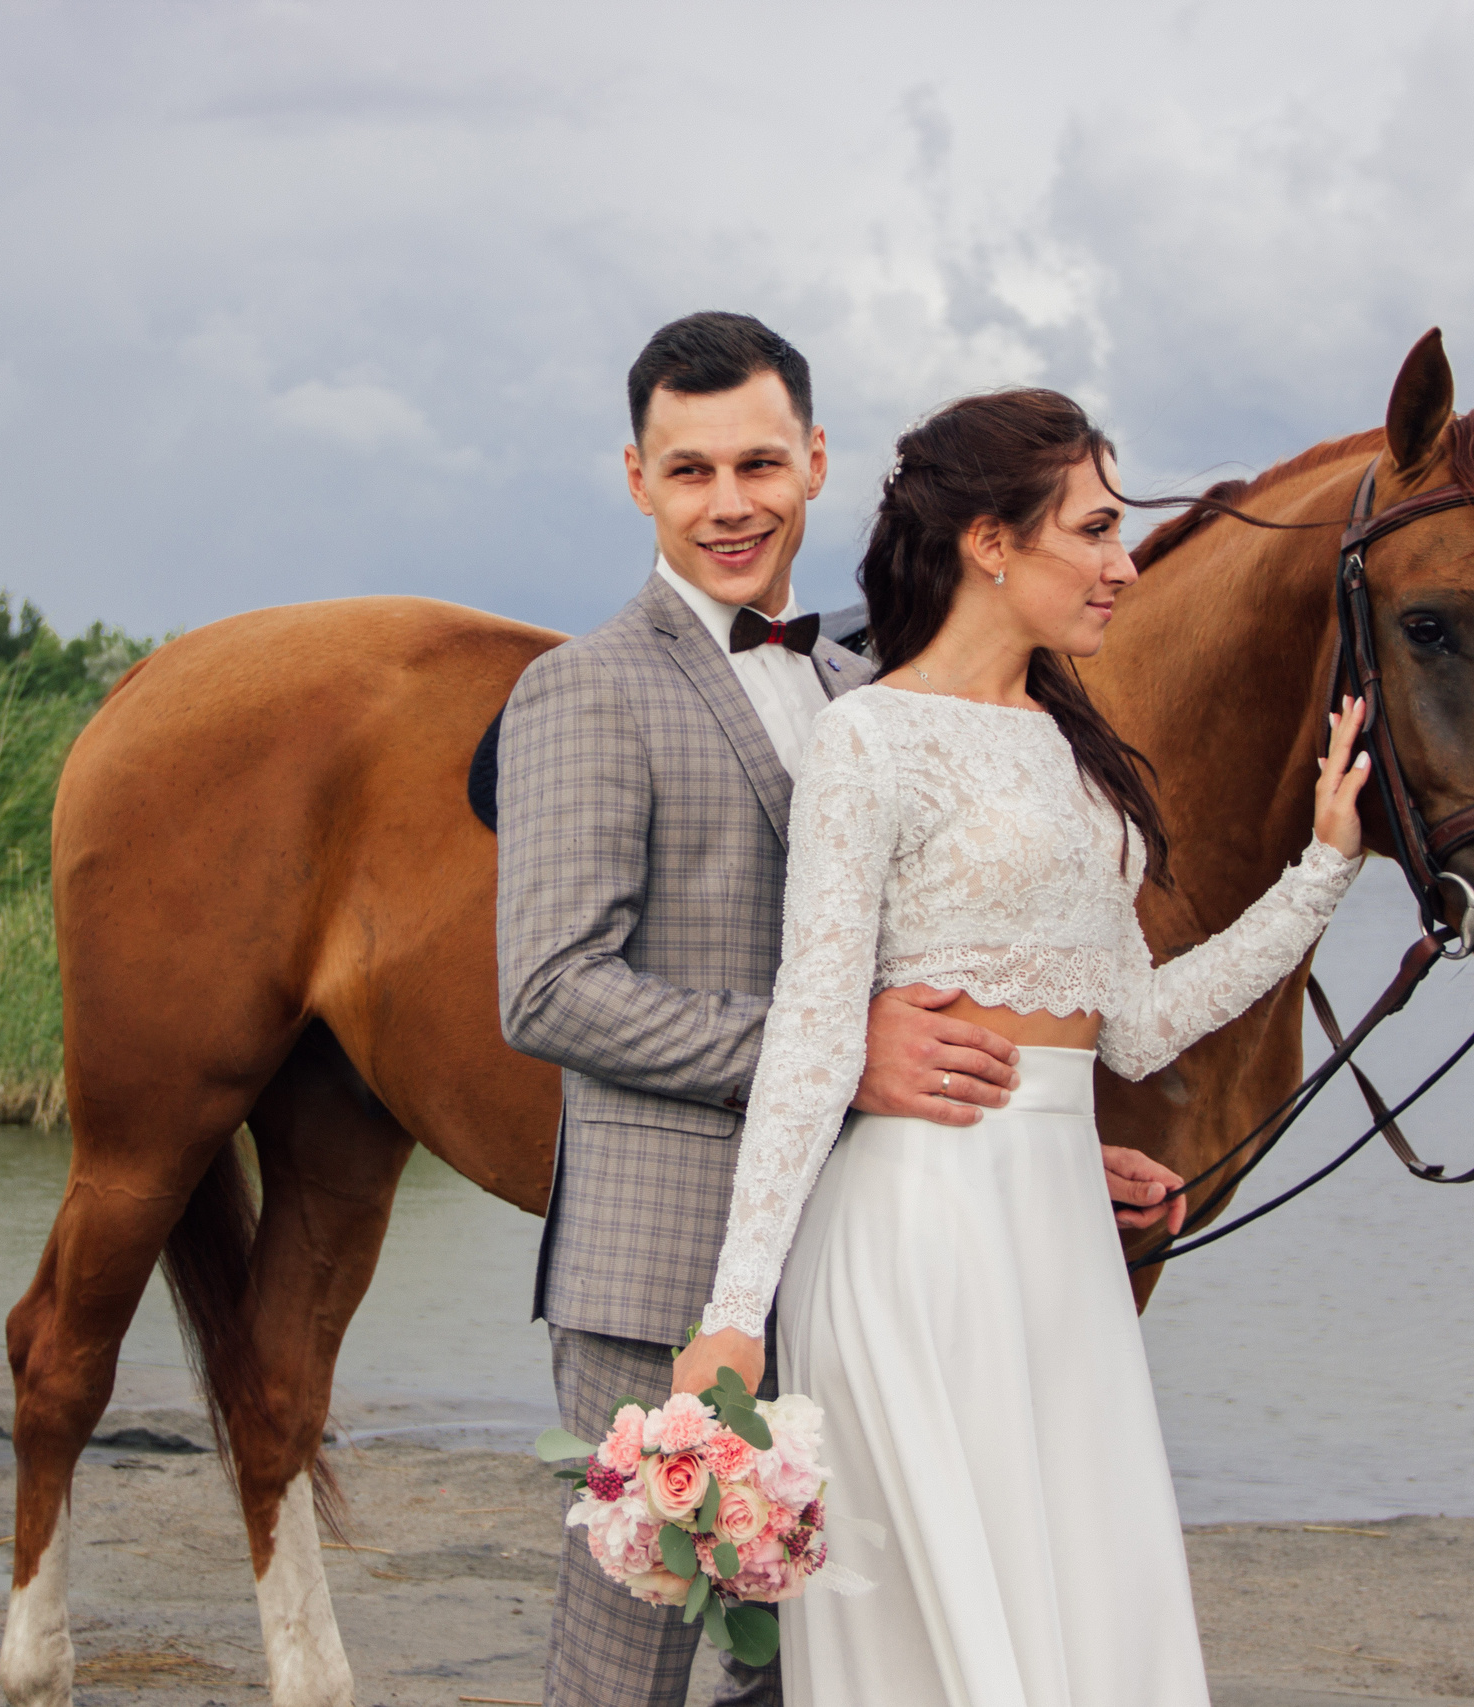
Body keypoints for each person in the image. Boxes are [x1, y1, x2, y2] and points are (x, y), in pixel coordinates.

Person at [497, 316, 1183, 1707]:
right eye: (689, 472)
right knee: (620, 1677)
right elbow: (550, 986)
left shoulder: (869, 691)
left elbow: (935, 960)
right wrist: (849, 1060)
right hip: (668, 1265)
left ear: (815, 464)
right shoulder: (582, 690)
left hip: (879, 1262)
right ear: (636, 480)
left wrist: (1027, 1136)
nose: (730, 501)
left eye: (759, 461)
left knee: (814, 1679)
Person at [668, 389, 1372, 1704]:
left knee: (1089, 1627)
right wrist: (731, 1322)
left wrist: (1323, 872)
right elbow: (815, 1045)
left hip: (1062, 1254)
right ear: (990, 542)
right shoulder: (868, 739)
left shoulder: (1084, 761)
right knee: (937, 1651)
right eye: (1095, 530)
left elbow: (1143, 1023)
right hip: (913, 1243)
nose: (1122, 564)